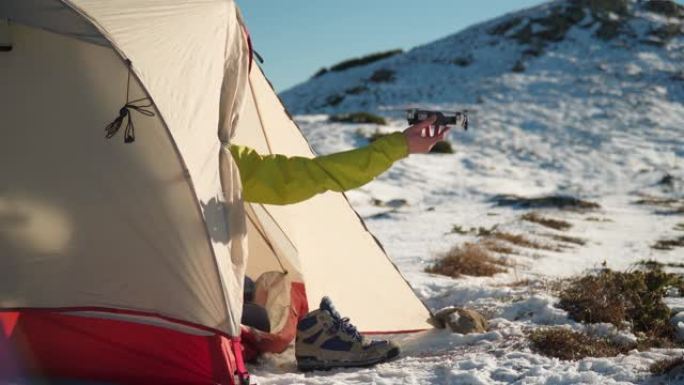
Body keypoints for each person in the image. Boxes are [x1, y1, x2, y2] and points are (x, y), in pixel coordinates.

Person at [231, 115, 449, 370]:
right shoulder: (215, 156)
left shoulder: (211, 152)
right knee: (259, 317)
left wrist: (399, 145)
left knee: (255, 306)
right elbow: (298, 177)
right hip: (187, 310)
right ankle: (315, 342)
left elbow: (297, 176)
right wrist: (399, 146)